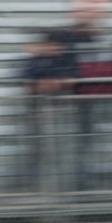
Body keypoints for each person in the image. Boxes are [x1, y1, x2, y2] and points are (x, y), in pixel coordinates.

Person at [55, 0, 112, 190]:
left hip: (88, 99)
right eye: (82, 11)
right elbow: (61, 62)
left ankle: (82, 183)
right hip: (68, 99)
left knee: (85, 142)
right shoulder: (65, 35)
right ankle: (70, 185)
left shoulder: (96, 35)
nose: (87, 16)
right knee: (64, 143)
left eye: (89, 12)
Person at [19, 30, 72, 191]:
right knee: (37, 151)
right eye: (54, 45)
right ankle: (33, 187)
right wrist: (48, 84)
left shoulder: (62, 61)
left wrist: (52, 83)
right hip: (36, 112)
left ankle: (58, 188)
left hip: (57, 112)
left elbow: (67, 81)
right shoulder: (34, 61)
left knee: (57, 151)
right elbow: (29, 82)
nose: (57, 49)